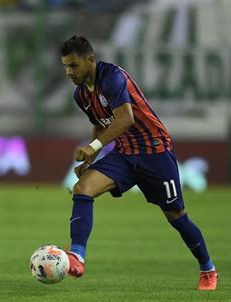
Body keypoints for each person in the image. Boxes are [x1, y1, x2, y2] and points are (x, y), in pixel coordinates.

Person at [59, 35, 218, 291]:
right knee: (82, 188)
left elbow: (126, 119)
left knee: (176, 216)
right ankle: (77, 255)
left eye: (73, 65)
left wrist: (93, 147)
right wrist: (92, 159)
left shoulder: (112, 77)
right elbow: (100, 125)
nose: (69, 71)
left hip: (155, 151)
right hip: (124, 154)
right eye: (65, 66)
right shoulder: (81, 96)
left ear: (90, 59)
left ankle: (208, 269)